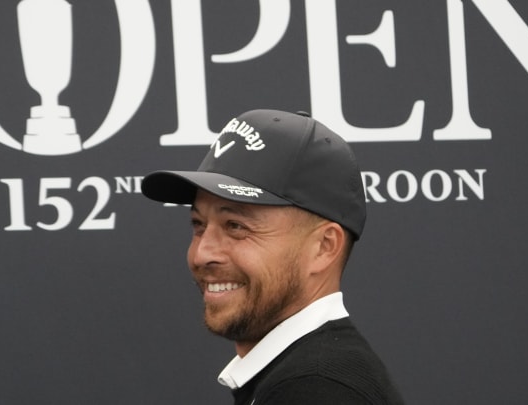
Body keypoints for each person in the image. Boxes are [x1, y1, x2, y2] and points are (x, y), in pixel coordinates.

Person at [141, 109, 404, 405]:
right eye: (198, 225)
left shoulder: (317, 390)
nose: (203, 254)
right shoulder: (300, 379)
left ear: (324, 247)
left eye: (236, 227)